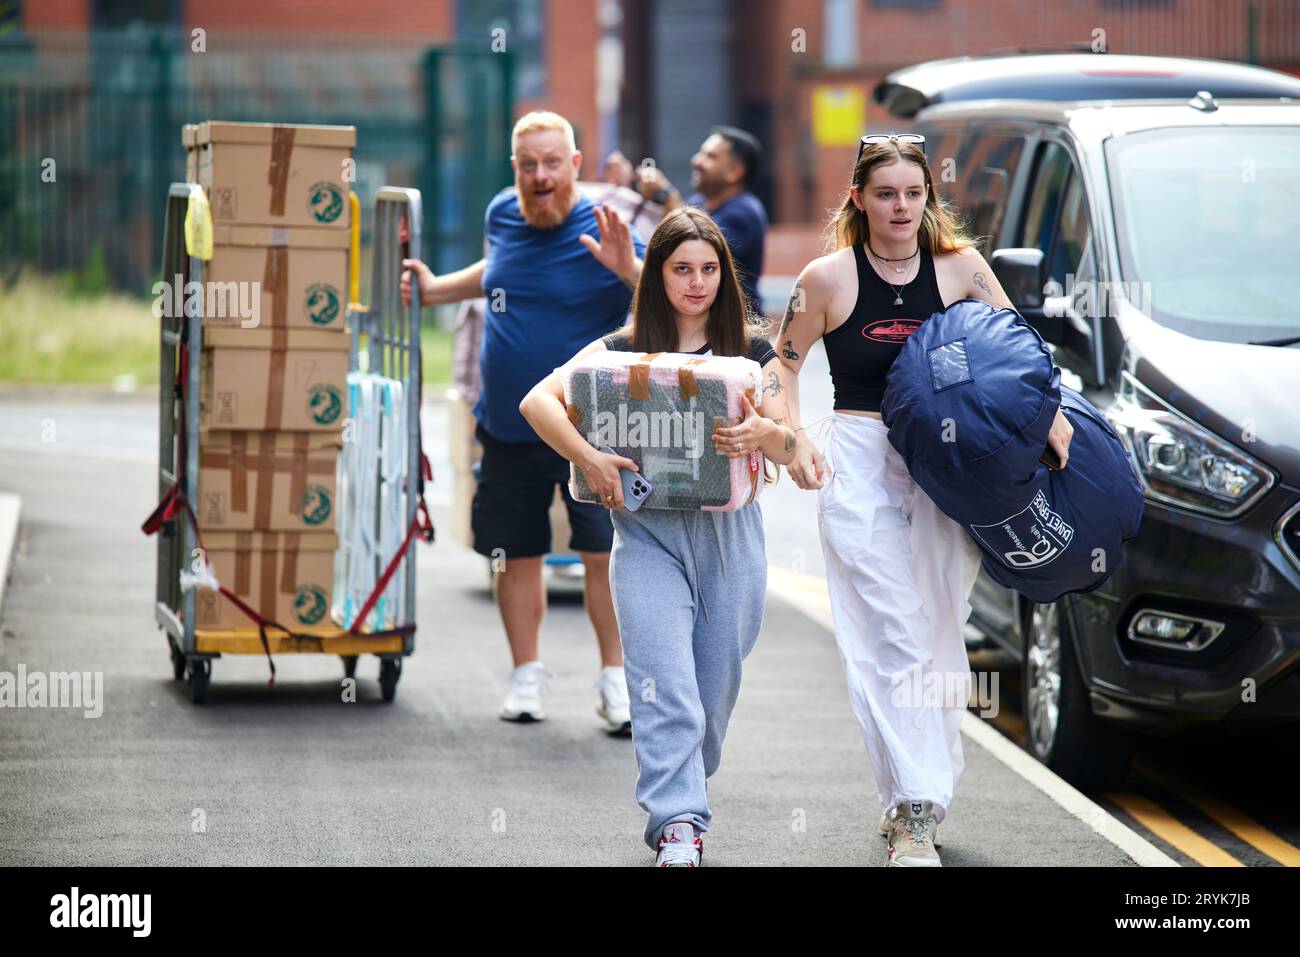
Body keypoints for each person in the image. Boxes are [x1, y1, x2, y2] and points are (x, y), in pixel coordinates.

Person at [776, 133, 1074, 866]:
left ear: (928, 198)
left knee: (940, 638)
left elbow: (1021, 353)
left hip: (948, 465)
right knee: (895, 632)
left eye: (913, 193)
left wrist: (1055, 424)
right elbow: (781, 366)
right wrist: (793, 440)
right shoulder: (826, 279)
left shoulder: (963, 270)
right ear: (859, 199)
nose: (900, 206)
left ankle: (909, 795)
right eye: (884, 193)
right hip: (858, 458)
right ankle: (915, 814)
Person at [519, 206, 797, 866]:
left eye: (707, 269)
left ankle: (686, 784)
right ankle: (677, 823)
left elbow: (789, 439)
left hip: (730, 540)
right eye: (680, 269)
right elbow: (537, 401)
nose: (695, 282)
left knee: (710, 696)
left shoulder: (754, 353)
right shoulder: (620, 350)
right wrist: (587, 457)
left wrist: (766, 432)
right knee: (664, 684)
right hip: (644, 538)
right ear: (658, 275)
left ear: (723, 277)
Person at [401, 111, 646, 733]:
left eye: (552, 163)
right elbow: (502, 273)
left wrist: (627, 269)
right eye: (528, 164)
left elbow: (674, 297)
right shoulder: (502, 214)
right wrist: (435, 292)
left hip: (592, 429)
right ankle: (525, 676)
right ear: (516, 168)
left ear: (575, 165)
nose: (540, 176)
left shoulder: (605, 222)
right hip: (509, 426)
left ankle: (615, 683)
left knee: (602, 554)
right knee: (515, 554)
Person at [606, 126, 768, 313]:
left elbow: (694, 241)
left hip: (732, 329)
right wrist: (626, 187)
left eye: (710, 156)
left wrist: (665, 194)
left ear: (734, 172)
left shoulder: (744, 213)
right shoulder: (699, 202)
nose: (696, 161)